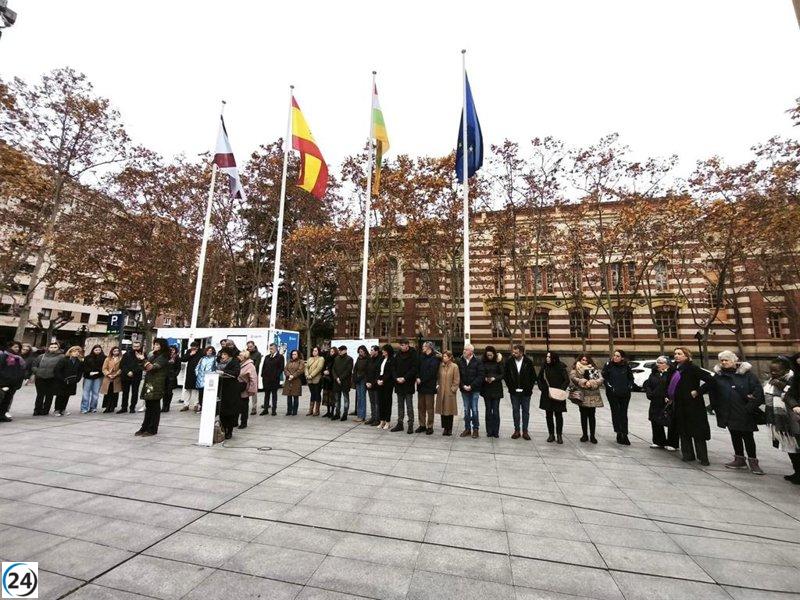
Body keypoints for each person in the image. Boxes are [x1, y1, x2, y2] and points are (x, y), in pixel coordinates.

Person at [709, 350, 765, 474]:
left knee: (748, 437)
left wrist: (749, 407)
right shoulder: (719, 375)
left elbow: (758, 392)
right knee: (735, 435)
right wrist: (714, 406)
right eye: (722, 360)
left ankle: (753, 462)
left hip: (744, 411)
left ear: (734, 360)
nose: (724, 362)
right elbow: (712, 390)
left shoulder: (747, 374)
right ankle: (739, 459)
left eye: (726, 360)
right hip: (728, 411)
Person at [669, 347, 714, 466]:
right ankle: (688, 454)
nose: (676, 356)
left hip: (693, 404)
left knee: (697, 431)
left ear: (687, 356)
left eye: (679, 354)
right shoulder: (675, 369)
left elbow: (710, 379)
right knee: (683, 430)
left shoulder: (692, 368)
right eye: (675, 354)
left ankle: (703, 457)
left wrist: (698, 391)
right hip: (680, 404)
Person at [767, 355, 800, 484]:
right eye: (771, 371)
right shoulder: (774, 380)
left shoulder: (792, 378)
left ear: (786, 370)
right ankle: (797, 472)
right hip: (782, 420)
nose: (773, 373)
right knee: (790, 447)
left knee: (796, 446)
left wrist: (781, 385)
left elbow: (789, 394)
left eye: (776, 371)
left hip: (793, 419)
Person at [643, 356, 678, 451]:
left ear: (667, 364)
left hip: (667, 401)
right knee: (655, 419)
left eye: (661, 362)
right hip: (655, 400)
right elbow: (648, 384)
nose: (658, 364)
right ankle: (658, 441)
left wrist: (669, 396)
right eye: (657, 362)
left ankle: (672, 443)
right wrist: (649, 393)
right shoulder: (654, 373)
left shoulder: (672, 373)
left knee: (670, 421)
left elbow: (672, 386)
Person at [137, 339, 169, 437]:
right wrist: (140, 360)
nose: (155, 346)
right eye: (154, 344)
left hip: (157, 384)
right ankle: (145, 426)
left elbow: (152, 367)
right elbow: (145, 367)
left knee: (154, 406)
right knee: (148, 405)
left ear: (162, 346)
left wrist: (143, 360)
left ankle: (152, 428)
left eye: (157, 344)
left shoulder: (163, 357)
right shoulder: (153, 355)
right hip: (149, 384)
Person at [602, 350, 634, 445]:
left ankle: (625, 433)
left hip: (625, 393)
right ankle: (618, 432)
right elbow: (605, 378)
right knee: (616, 412)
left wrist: (629, 387)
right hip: (613, 394)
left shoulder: (626, 366)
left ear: (622, 358)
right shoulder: (608, 365)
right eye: (614, 355)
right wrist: (610, 388)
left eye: (617, 356)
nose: (615, 357)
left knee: (623, 413)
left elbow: (631, 378)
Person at [504, 344, 536, 440]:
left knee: (525, 412)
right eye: (513, 352)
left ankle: (525, 431)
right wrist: (511, 387)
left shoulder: (528, 362)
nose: (514, 354)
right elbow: (506, 376)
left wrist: (528, 388)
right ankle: (517, 430)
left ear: (521, 353)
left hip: (526, 393)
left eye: (516, 352)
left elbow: (533, 377)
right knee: (515, 411)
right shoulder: (509, 362)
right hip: (514, 392)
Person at [570, 354, 603, 444]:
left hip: (593, 395)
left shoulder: (593, 369)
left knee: (592, 415)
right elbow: (573, 378)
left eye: (586, 360)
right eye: (583, 360)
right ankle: (584, 435)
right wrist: (583, 381)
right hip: (582, 395)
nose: (584, 361)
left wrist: (592, 382)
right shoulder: (576, 368)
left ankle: (592, 435)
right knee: (583, 415)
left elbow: (601, 379)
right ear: (580, 360)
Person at [538, 350, 569, 444]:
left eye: (549, 357)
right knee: (549, 415)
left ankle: (559, 435)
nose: (547, 358)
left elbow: (566, 380)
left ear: (554, 358)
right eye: (546, 357)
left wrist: (560, 390)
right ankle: (551, 434)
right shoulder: (544, 366)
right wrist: (543, 388)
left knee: (558, 415)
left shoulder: (561, 366)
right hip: (547, 394)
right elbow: (539, 378)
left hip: (558, 394)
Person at [392, 338, 418, 434]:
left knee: (409, 405)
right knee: (400, 405)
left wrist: (405, 378)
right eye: (400, 345)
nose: (401, 347)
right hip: (398, 383)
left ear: (407, 345)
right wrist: (396, 378)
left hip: (408, 383)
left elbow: (414, 368)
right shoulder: (397, 354)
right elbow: (393, 367)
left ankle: (410, 424)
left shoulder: (413, 354)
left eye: (403, 345)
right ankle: (400, 423)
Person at [458, 344, 484, 438]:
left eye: (466, 350)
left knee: (474, 409)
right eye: (464, 349)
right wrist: (463, 386)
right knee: (466, 409)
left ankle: (475, 429)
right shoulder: (461, 361)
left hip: (474, 390)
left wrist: (471, 386)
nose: (464, 351)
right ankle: (467, 429)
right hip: (464, 389)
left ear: (471, 352)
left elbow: (480, 376)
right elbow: (458, 376)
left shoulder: (478, 361)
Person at [215, 346, 241, 439]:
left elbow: (236, 373)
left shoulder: (234, 362)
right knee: (221, 410)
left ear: (229, 355)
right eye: (222, 354)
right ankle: (223, 428)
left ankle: (229, 430)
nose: (222, 356)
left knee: (230, 411)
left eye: (225, 354)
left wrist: (223, 372)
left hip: (231, 390)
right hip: (221, 389)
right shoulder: (219, 363)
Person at [32, 341, 64, 416]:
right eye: (51, 347)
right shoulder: (41, 356)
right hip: (40, 378)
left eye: (55, 347)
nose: (53, 349)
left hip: (52, 379)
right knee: (40, 395)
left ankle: (45, 410)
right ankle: (37, 410)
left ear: (58, 348)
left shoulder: (62, 357)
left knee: (49, 395)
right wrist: (37, 371)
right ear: (48, 348)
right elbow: (34, 365)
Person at [416, 341, 441, 434]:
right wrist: (417, 377)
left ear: (429, 347)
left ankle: (430, 426)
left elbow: (432, 372)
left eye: (424, 346)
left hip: (429, 386)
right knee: (420, 407)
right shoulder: (421, 357)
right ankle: (422, 425)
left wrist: (421, 380)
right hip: (420, 386)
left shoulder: (435, 358)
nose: (422, 347)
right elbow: (417, 368)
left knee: (429, 408)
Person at [0, 341, 27, 422]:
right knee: (1, 399)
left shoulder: (19, 358)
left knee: (7, 400)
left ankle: (2, 415)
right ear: (10, 347)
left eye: (18, 347)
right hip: (3, 382)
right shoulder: (4, 356)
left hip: (14, 383)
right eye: (15, 347)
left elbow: (22, 370)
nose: (17, 349)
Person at [435, 350, 460, 436]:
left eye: (445, 356)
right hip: (441, 392)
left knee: (449, 411)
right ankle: (445, 428)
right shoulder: (440, 366)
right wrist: (438, 386)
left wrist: (453, 389)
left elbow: (456, 380)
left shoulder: (454, 366)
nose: (443, 358)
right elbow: (438, 377)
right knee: (443, 411)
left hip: (450, 393)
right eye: (443, 356)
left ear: (449, 357)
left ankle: (449, 428)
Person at [481, 346, 504, 439]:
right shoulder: (483, 362)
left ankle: (496, 431)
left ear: (494, 354)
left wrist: (494, 378)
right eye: (488, 355)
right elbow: (481, 373)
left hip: (496, 389)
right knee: (488, 410)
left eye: (491, 355)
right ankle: (489, 431)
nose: (489, 356)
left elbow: (502, 374)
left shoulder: (498, 362)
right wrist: (485, 378)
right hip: (486, 389)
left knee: (496, 411)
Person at [54, 346, 83, 416]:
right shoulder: (64, 360)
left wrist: (77, 379)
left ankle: (63, 409)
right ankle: (57, 410)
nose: (76, 353)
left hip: (72, 381)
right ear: (70, 352)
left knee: (67, 395)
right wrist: (62, 379)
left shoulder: (79, 361)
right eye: (74, 351)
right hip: (62, 381)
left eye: (78, 352)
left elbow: (80, 372)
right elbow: (57, 370)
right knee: (60, 395)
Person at [119, 341, 145, 413]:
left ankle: (132, 407)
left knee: (135, 392)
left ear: (140, 347)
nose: (136, 348)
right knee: (125, 393)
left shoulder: (142, 355)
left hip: (136, 376)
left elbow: (142, 366)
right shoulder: (127, 354)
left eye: (137, 346)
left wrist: (133, 372)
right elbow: (121, 365)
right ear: (132, 346)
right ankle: (124, 407)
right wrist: (128, 372)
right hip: (126, 376)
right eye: (134, 346)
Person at [261, 343, 284, 416]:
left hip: (274, 379)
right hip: (266, 379)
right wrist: (263, 376)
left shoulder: (280, 357)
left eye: (272, 349)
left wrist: (276, 376)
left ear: (276, 349)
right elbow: (264, 367)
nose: (270, 350)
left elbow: (281, 368)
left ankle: (274, 410)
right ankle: (265, 409)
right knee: (266, 394)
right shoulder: (267, 357)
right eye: (270, 349)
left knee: (274, 395)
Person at [81, 345, 105, 414]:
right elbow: (84, 366)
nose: (97, 351)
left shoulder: (104, 358)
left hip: (98, 377)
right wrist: (89, 372)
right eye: (96, 350)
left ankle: (93, 407)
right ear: (93, 350)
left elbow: (104, 367)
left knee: (95, 393)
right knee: (86, 392)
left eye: (99, 350)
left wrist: (97, 372)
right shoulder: (88, 357)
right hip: (88, 376)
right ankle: (84, 408)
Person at [180, 342, 203, 412]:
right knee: (188, 388)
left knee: (196, 389)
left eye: (194, 347)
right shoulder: (189, 351)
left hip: (198, 372)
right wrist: (190, 354)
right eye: (191, 347)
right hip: (189, 372)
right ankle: (186, 404)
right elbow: (183, 359)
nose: (193, 348)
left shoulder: (201, 352)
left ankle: (196, 404)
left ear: (197, 347)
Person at [237, 350, 258, 428]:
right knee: (237, 405)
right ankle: (235, 421)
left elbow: (253, 378)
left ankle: (243, 422)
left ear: (245, 357)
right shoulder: (239, 364)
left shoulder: (250, 365)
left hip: (245, 388)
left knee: (244, 407)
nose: (239, 357)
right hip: (237, 387)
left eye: (241, 356)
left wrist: (251, 390)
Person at [332, 345, 354, 421]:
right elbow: (333, 369)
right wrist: (336, 378)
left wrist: (340, 378)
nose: (340, 351)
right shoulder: (336, 358)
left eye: (341, 350)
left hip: (345, 382)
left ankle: (345, 414)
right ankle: (337, 413)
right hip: (336, 382)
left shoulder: (349, 359)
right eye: (339, 350)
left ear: (345, 350)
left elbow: (348, 371)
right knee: (337, 399)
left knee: (346, 399)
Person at [376, 344, 395, 430]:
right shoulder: (381, 359)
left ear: (387, 351)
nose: (382, 351)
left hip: (387, 383)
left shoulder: (392, 360)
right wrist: (378, 380)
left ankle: (388, 421)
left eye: (383, 350)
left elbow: (390, 373)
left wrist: (383, 380)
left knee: (387, 402)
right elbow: (378, 370)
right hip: (380, 382)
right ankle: (382, 420)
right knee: (381, 402)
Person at [100, 346, 123, 413]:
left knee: (115, 393)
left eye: (117, 351)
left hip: (117, 377)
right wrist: (108, 374)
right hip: (108, 377)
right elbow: (104, 368)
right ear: (112, 352)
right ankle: (107, 407)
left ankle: (113, 406)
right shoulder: (108, 359)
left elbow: (121, 368)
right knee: (108, 392)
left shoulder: (121, 359)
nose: (116, 352)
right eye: (114, 351)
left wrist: (116, 374)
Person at [283, 349, 305, 416]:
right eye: (292, 354)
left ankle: (294, 411)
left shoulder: (301, 361)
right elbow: (285, 369)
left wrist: (293, 376)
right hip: (289, 380)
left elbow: (300, 370)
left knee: (295, 396)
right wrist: (289, 375)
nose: (293, 356)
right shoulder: (289, 361)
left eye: (295, 354)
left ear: (298, 355)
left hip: (296, 380)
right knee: (289, 396)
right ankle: (289, 410)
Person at [195, 346, 217, 410]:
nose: (209, 352)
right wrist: (198, 375)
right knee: (201, 394)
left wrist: (212, 375)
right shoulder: (202, 359)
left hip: (209, 379)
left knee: (208, 394)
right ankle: (201, 406)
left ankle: (208, 408)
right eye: (208, 350)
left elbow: (216, 368)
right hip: (201, 379)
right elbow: (197, 367)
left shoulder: (214, 359)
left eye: (211, 350)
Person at [305, 346, 324, 416]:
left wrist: (311, 375)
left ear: (318, 351)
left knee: (317, 393)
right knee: (312, 394)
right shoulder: (310, 359)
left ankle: (317, 410)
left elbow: (319, 368)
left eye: (316, 351)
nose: (314, 352)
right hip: (309, 379)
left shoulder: (321, 359)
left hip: (317, 379)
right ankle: (310, 410)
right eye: (313, 350)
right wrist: (307, 375)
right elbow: (306, 367)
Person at [365, 345, 381, 426]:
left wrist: (372, 383)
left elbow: (378, 374)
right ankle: (373, 417)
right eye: (370, 350)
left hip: (376, 385)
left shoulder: (380, 360)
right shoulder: (370, 359)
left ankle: (377, 419)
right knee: (372, 402)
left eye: (372, 350)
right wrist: (367, 382)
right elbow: (367, 371)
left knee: (377, 402)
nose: (370, 351)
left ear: (376, 351)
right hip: (369, 384)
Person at [353, 345, 370, 423]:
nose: (360, 353)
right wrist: (355, 377)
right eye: (359, 352)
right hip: (358, 379)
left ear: (365, 351)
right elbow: (355, 368)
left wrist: (360, 377)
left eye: (362, 352)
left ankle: (362, 416)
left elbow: (366, 371)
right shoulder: (358, 358)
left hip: (363, 380)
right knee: (359, 397)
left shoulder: (368, 359)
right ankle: (359, 415)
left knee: (362, 398)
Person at [162, 345, 181, 412]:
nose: (172, 351)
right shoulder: (166, 357)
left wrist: (175, 375)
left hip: (172, 377)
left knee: (169, 392)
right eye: (170, 350)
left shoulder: (177, 358)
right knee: (164, 392)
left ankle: (167, 406)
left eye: (173, 350)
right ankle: (164, 406)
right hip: (165, 376)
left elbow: (178, 368)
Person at [245, 341, 262, 415]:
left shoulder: (258, 354)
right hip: (245, 375)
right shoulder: (246, 353)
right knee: (245, 390)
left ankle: (254, 407)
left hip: (253, 374)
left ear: (254, 346)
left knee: (253, 391)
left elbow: (256, 365)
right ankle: (244, 406)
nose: (249, 348)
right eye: (248, 346)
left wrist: (250, 372)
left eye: (251, 346)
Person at [321, 347, 337, 418]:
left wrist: (329, 372)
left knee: (332, 397)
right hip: (326, 380)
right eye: (330, 351)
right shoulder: (327, 359)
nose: (331, 353)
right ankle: (328, 411)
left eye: (333, 351)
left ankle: (332, 411)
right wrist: (324, 371)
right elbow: (323, 367)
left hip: (332, 380)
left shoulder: (336, 359)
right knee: (326, 397)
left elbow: (335, 369)